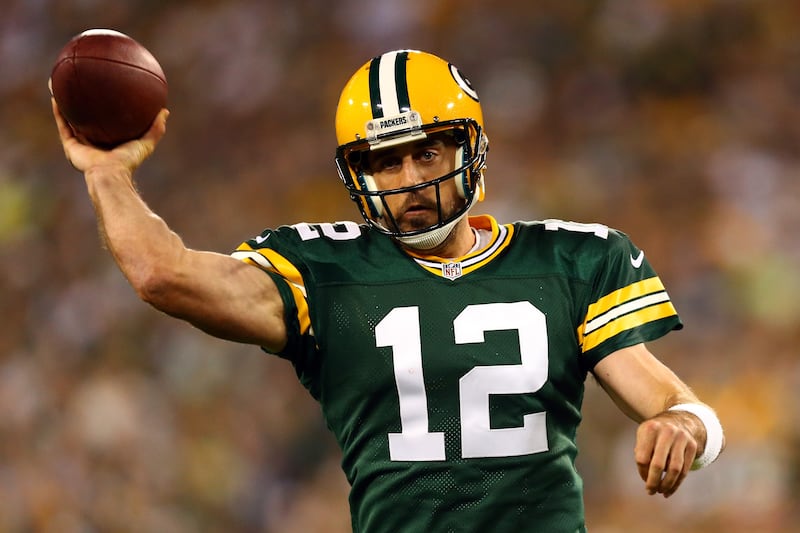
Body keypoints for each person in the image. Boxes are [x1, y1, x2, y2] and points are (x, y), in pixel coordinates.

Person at [52, 49, 724, 532]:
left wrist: (685, 425)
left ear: (469, 149)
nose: (408, 180)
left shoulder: (570, 259)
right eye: (385, 161)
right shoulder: (323, 270)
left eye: (426, 152)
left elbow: (671, 401)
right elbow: (164, 274)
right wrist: (107, 174)